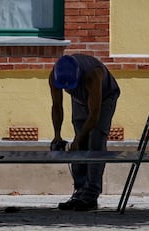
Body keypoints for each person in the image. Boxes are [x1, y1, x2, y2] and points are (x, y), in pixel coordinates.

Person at [49, 54, 120, 211]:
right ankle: (79, 192)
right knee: (79, 145)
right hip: (80, 99)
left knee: (95, 142)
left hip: (104, 98)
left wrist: (79, 138)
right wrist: (57, 136)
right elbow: (57, 106)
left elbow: (94, 115)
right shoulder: (54, 75)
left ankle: (91, 195)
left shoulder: (93, 75)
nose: (67, 89)